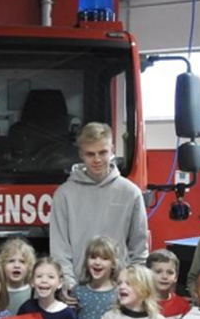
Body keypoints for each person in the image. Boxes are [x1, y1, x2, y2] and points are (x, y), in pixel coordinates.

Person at [49, 122, 149, 292]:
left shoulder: (131, 193)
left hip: (119, 291)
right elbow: (59, 248)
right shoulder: (64, 194)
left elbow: (139, 249)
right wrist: (68, 285)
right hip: (77, 290)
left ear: (112, 149)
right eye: (90, 154)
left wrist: (129, 285)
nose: (97, 160)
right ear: (81, 154)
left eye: (102, 152)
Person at [0, 237, 36, 313]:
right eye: (11, 261)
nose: (16, 265)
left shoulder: (35, 293)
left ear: (29, 266)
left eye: (22, 262)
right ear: (2, 265)